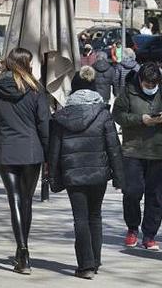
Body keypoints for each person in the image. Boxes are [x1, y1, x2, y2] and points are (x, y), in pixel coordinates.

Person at [49, 67, 125, 280]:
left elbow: (54, 150)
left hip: (73, 175)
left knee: (80, 219)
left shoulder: (61, 116)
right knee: (95, 216)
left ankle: (86, 265)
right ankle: (96, 260)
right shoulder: (103, 114)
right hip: (98, 174)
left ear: (73, 89)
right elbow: (114, 148)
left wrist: (53, 179)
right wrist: (119, 177)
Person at [0, 47, 49, 275]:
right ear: (27, 64)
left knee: (15, 200)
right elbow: (44, 125)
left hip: (6, 149)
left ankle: (23, 251)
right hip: (32, 151)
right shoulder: (36, 90)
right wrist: (48, 154)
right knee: (26, 200)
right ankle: (23, 250)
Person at [112, 62, 162, 251]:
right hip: (133, 150)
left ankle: (149, 234)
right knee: (132, 192)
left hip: (158, 151)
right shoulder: (128, 92)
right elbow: (118, 115)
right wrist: (140, 120)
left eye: (153, 84)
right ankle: (132, 228)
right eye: (147, 84)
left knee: (155, 195)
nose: (150, 87)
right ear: (140, 80)